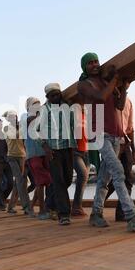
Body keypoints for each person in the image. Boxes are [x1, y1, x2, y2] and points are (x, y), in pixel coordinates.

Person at [77, 52, 135, 232]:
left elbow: (120, 105)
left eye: (96, 61)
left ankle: (95, 214)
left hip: (115, 136)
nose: (94, 65)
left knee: (104, 178)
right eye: (90, 63)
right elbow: (100, 97)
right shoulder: (84, 84)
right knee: (118, 170)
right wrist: (116, 78)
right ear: (85, 67)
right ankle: (131, 216)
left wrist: (124, 87)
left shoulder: (107, 83)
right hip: (98, 133)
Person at [39, 83, 77, 225]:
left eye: (57, 94)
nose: (56, 97)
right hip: (53, 149)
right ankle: (64, 214)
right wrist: (45, 147)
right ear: (47, 97)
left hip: (68, 147)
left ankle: (50, 204)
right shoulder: (44, 109)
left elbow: (73, 123)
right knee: (59, 181)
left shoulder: (67, 106)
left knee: (67, 179)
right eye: (52, 95)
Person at [104, 79, 135, 221]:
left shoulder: (128, 102)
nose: (126, 84)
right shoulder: (105, 99)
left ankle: (122, 213)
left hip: (125, 144)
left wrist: (133, 149)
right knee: (108, 180)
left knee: (128, 179)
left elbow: (130, 128)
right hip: (111, 143)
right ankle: (97, 207)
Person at [24, 97, 52, 219]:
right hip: (34, 154)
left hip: (43, 153)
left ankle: (31, 208)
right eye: (34, 104)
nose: (37, 106)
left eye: (38, 104)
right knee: (41, 182)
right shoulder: (28, 118)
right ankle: (42, 211)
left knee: (43, 182)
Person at [3, 110, 35, 217]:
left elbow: (24, 143)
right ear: (8, 119)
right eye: (11, 117)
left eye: (15, 117)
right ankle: (27, 208)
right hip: (12, 157)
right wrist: (24, 125)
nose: (14, 118)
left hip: (22, 157)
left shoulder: (21, 128)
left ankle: (11, 206)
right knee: (21, 181)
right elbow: (16, 136)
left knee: (18, 182)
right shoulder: (7, 128)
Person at [71, 106, 90, 218]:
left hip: (86, 152)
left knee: (84, 179)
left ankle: (77, 206)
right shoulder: (72, 118)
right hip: (75, 152)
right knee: (83, 176)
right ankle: (76, 207)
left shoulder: (86, 117)